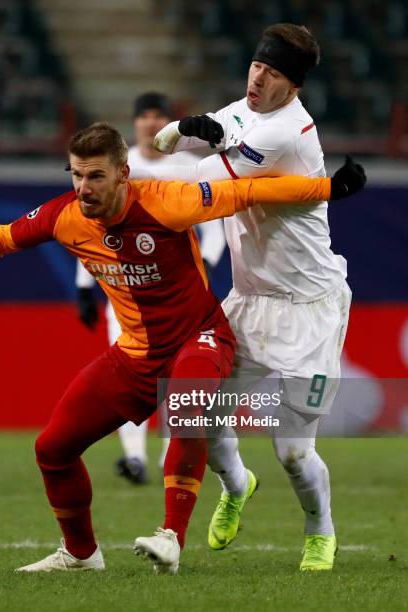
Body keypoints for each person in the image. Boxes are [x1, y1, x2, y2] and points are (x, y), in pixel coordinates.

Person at [0, 122, 364, 574]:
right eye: (76, 174)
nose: (83, 187)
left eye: (96, 176)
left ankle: (171, 537)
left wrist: (327, 189)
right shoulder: (64, 217)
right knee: (52, 449)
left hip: (199, 337)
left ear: (123, 174)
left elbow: (250, 191)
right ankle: (80, 554)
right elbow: (0, 240)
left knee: (187, 409)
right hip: (134, 353)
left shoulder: (167, 202)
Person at [145, 23, 353, 571]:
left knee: (292, 452)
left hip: (308, 311)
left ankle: (319, 530)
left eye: (275, 73)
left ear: (296, 85)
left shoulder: (289, 134)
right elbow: (222, 127)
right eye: (258, 65)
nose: (259, 78)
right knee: (203, 418)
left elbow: (205, 182)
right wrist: (186, 128)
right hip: (249, 301)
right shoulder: (249, 107)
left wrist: (148, 170)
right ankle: (237, 485)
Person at [75, 92, 226, 484]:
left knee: (176, 380)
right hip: (125, 293)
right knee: (130, 374)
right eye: (144, 115)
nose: (151, 122)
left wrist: (203, 266)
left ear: (168, 122)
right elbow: (93, 227)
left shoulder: (190, 168)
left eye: (158, 115)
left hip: (177, 299)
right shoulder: (120, 168)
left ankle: (166, 458)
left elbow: (215, 229)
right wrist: (83, 286)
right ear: (136, 123)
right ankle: (135, 458)